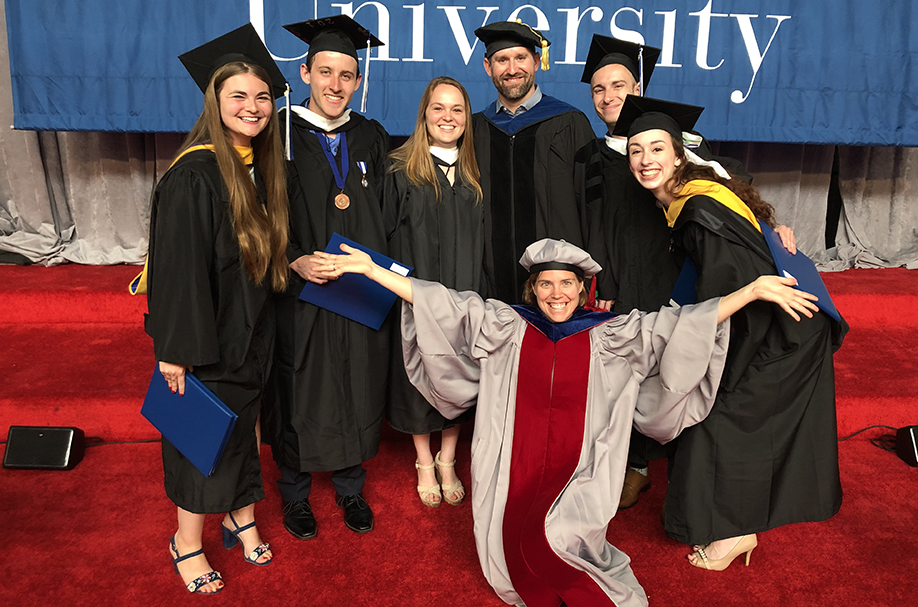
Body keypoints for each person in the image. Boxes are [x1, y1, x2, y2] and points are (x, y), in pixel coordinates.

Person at [313, 237, 819, 606]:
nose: (557, 294)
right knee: (512, 550)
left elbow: (680, 327)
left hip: (582, 469)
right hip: (514, 466)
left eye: (567, 284)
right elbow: (439, 303)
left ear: (583, 289)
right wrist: (373, 272)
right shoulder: (506, 326)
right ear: (533, 289)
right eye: (547, 284)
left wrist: (750, 292)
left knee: (562, 541)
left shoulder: (611, 333)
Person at [615, 95, 847, 571]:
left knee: (718, 420)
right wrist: (774, 230)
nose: (645, 160)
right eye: (636, 150)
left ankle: (736, 534)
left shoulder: (699, 211)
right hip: (778, 322)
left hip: (779, 333)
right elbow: (753, 240)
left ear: (679, 154)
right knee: (719, 418)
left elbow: (737, 290)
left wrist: (715, 357)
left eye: (657, 149)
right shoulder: (700, 193)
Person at [576, 34, 797, 510]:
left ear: (639, 86)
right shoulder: (594, 155)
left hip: (681, 276)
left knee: (683, 370)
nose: (609, 96)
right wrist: (605, 284)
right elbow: (592, 225)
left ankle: (688, 467)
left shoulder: (683, 146)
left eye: (619, 85)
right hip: (626, 278)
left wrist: (773, 223)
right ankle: (634, 466)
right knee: (629, 373)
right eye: (598, 89)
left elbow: (730, 189)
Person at [146, 24, 290, 594]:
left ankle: (239, 514)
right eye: (239, 96)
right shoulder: (193, 175)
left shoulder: (257, 166)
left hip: (251, 329)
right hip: (206, 335)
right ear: (215, 100)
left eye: (261, 97)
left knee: (245, 427)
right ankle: (186, 541)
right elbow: (178, 272)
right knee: (197, 435)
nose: (252, 107)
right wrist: (174, 353)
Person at [266, 15, 390, 539]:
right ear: (305, 72)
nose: (335, 85)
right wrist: (292, 259)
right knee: (300, 383)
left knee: (355, 382)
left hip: (359, 293)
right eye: (325, 73)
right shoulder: (276, 131)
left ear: (358, 80)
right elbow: (255, 216)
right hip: (302, 291)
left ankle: (349, 486)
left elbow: (389, 213)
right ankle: (294, 494)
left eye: (347, 75)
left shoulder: (372, 135)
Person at [381, 77, 483, 507]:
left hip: (464, 295)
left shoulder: (476, 173)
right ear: (424, 113)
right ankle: (424, 458)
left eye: (457, 109)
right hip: (416, 295)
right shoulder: (399, 169)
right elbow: (385, 237)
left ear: (466, 119)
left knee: (459, 374)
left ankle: (449, 456)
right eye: (438, 108)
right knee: (419, 374)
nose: (447, 117)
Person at [471, 20, 596, 303]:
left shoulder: (569, 123)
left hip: (556, 286)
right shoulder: (476, 128)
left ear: (537, 62)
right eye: (502, 59)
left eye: (521, 58)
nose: (512, 69)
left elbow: (592, 206)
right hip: (490, 281)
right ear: (488, 67)